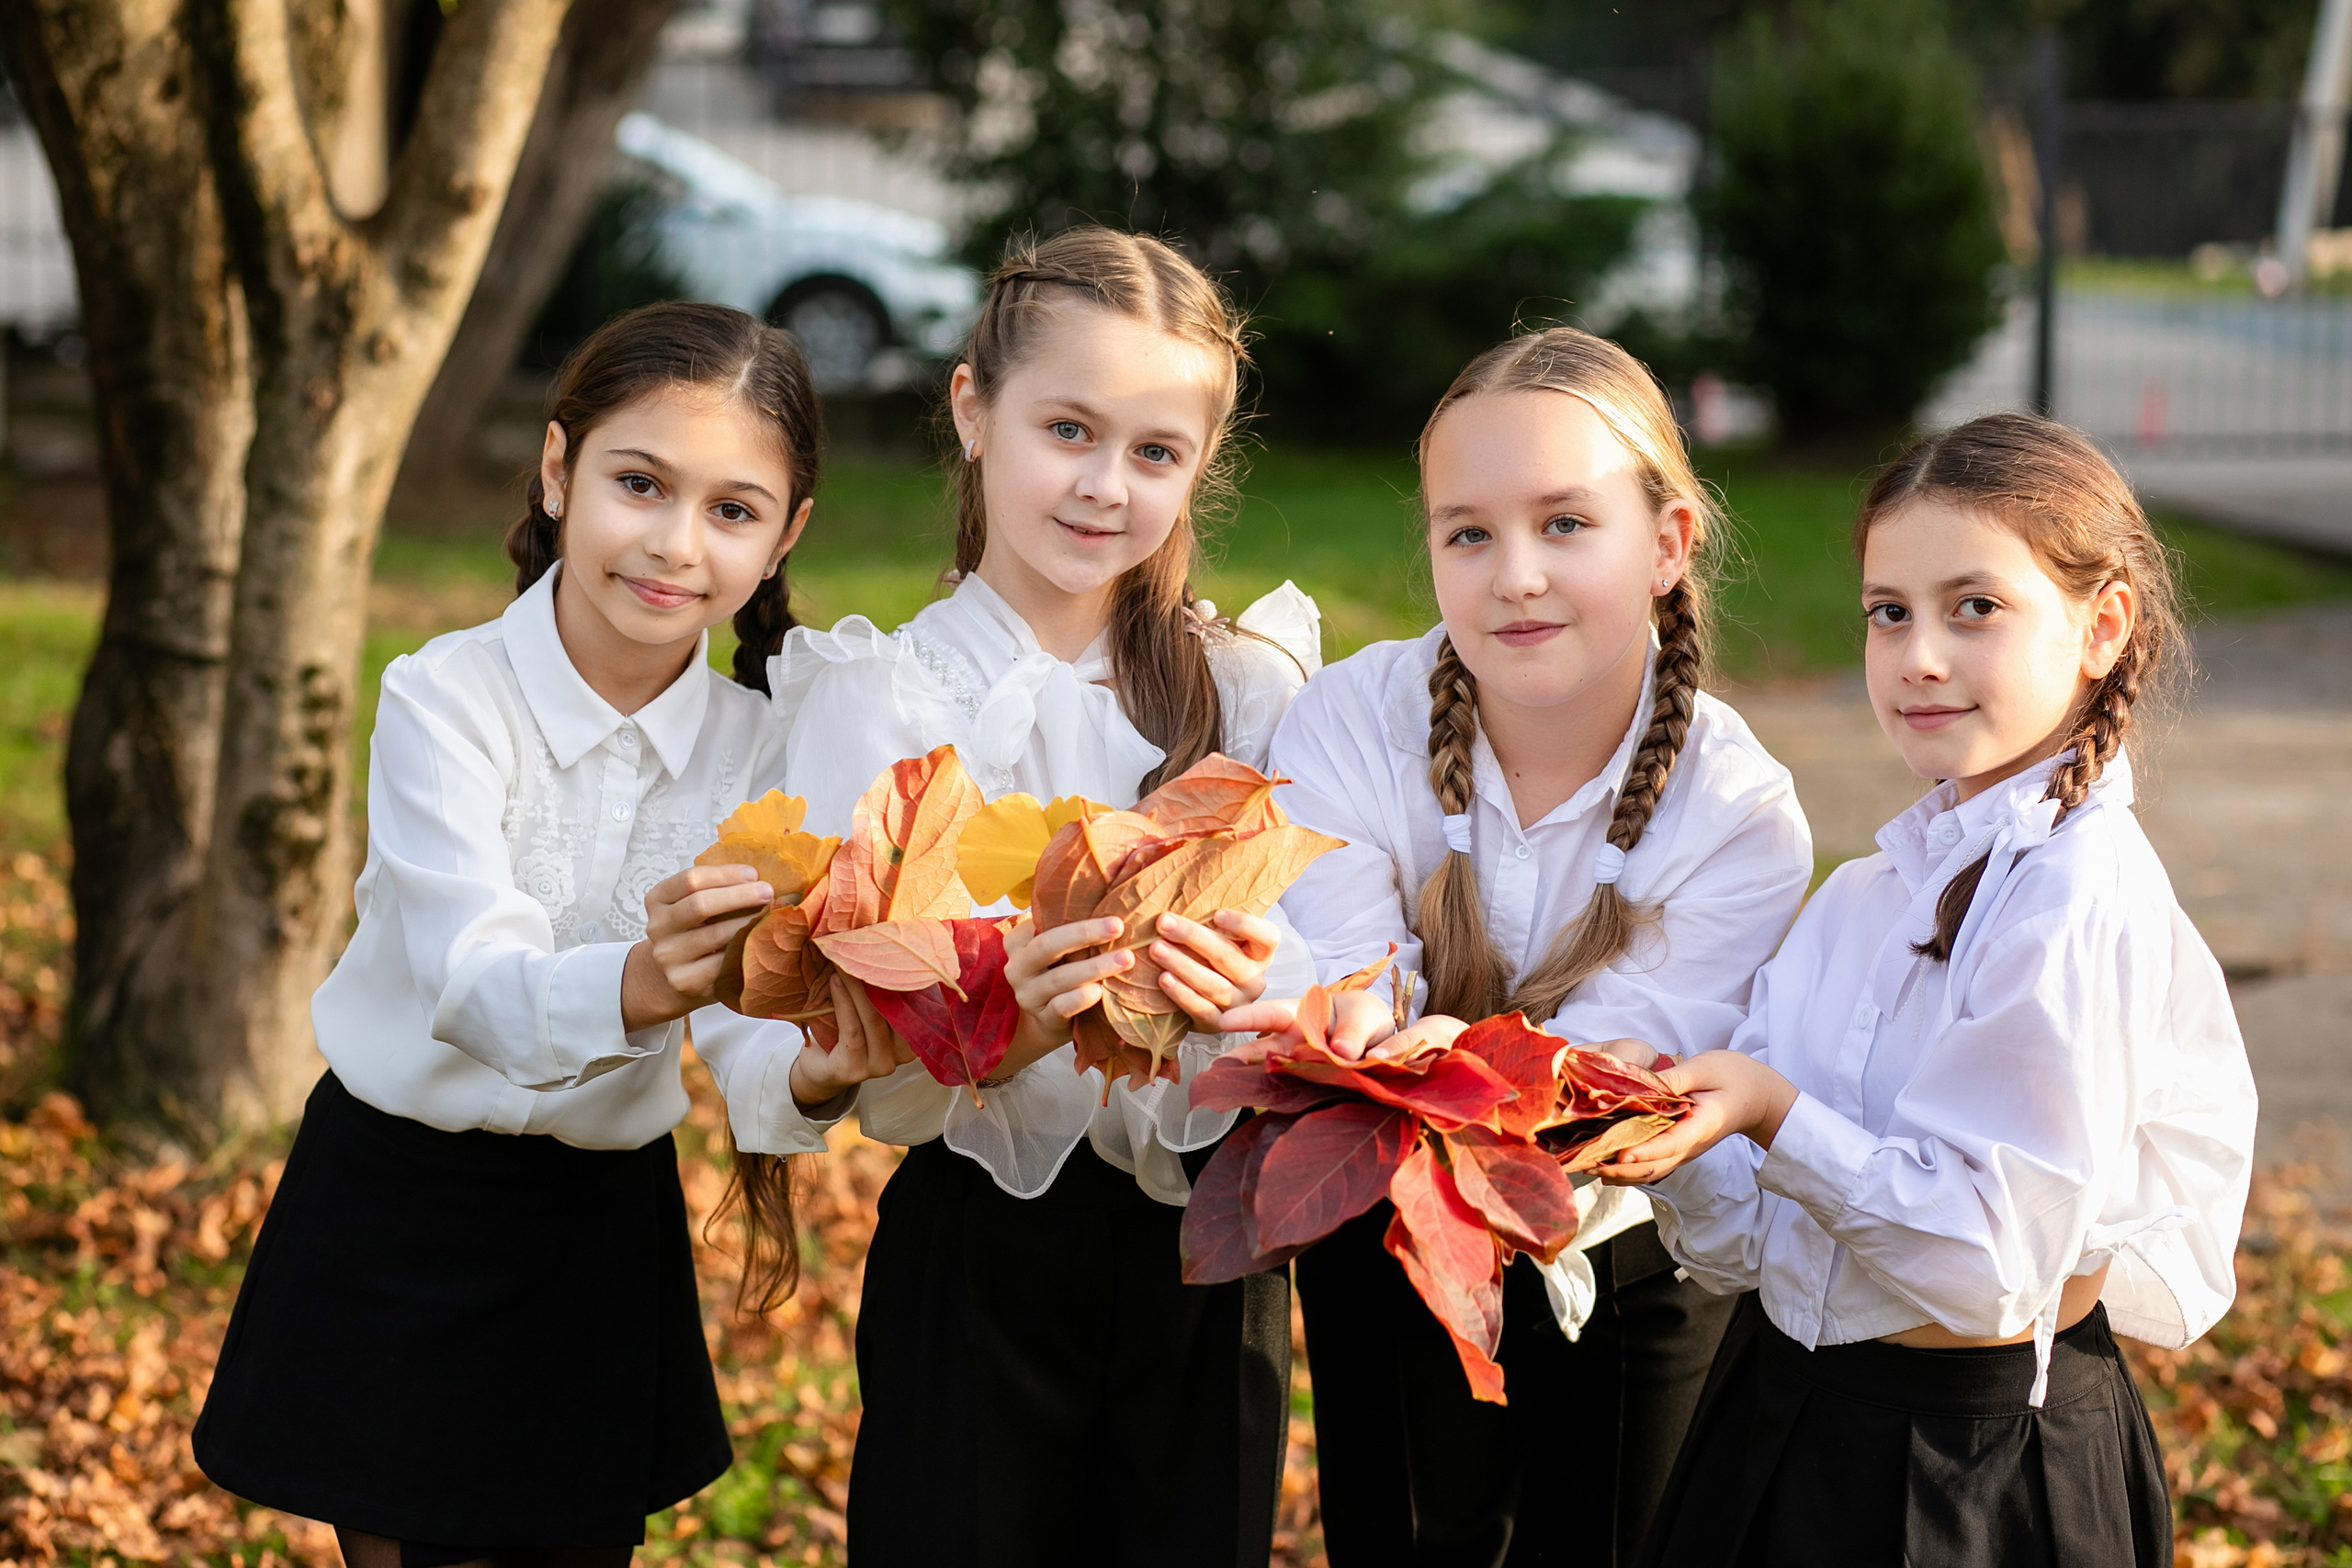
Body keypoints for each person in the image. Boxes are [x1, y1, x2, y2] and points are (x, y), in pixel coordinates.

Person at [194, 302, 902, 1568]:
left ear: (786, 533)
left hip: (594, 1219)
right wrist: (635, 978)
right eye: (641, 482)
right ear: (559, 468)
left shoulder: (759, 750)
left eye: (733, 510)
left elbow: (744, 1027)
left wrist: (812, 1065)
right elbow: (470, 978)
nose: (676, 544)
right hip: (400, 1196)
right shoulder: (445, 697)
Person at [1599, 412, 2257, 1568]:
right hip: (1778, 1416)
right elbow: (1752, 1249)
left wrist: (1772, 1110)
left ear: (2101, 626)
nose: (1920, 656)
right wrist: (1669, 1130)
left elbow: (1986, 1267)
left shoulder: (2076, 898)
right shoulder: (1861, 898)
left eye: (1975, 608)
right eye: (1887, 612)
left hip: (1971, 1468)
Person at [767, 227, 1321, 1567]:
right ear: (973, 408)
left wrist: (1251, 992)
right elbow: (858, 1060)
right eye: (1066, 428)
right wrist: (985, 1024)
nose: (1104, 485)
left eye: (1154, 451)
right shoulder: (884, 700)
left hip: (1208, 1250)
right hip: (979, 1260)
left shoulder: (1248, 690)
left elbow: (1330, 969)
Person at [1260, 327, 1814, 1566]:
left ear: (1669, 542)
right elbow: (1350, 984)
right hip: (1386, 1222)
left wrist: (1444, 1050)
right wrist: (1367, 1019)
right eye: (1469, 532)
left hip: (1630, 1244)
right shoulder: (1351, 718)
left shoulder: (1734, 809)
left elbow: (1613, 1081)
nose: (1515, 574)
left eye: (1566, 523)